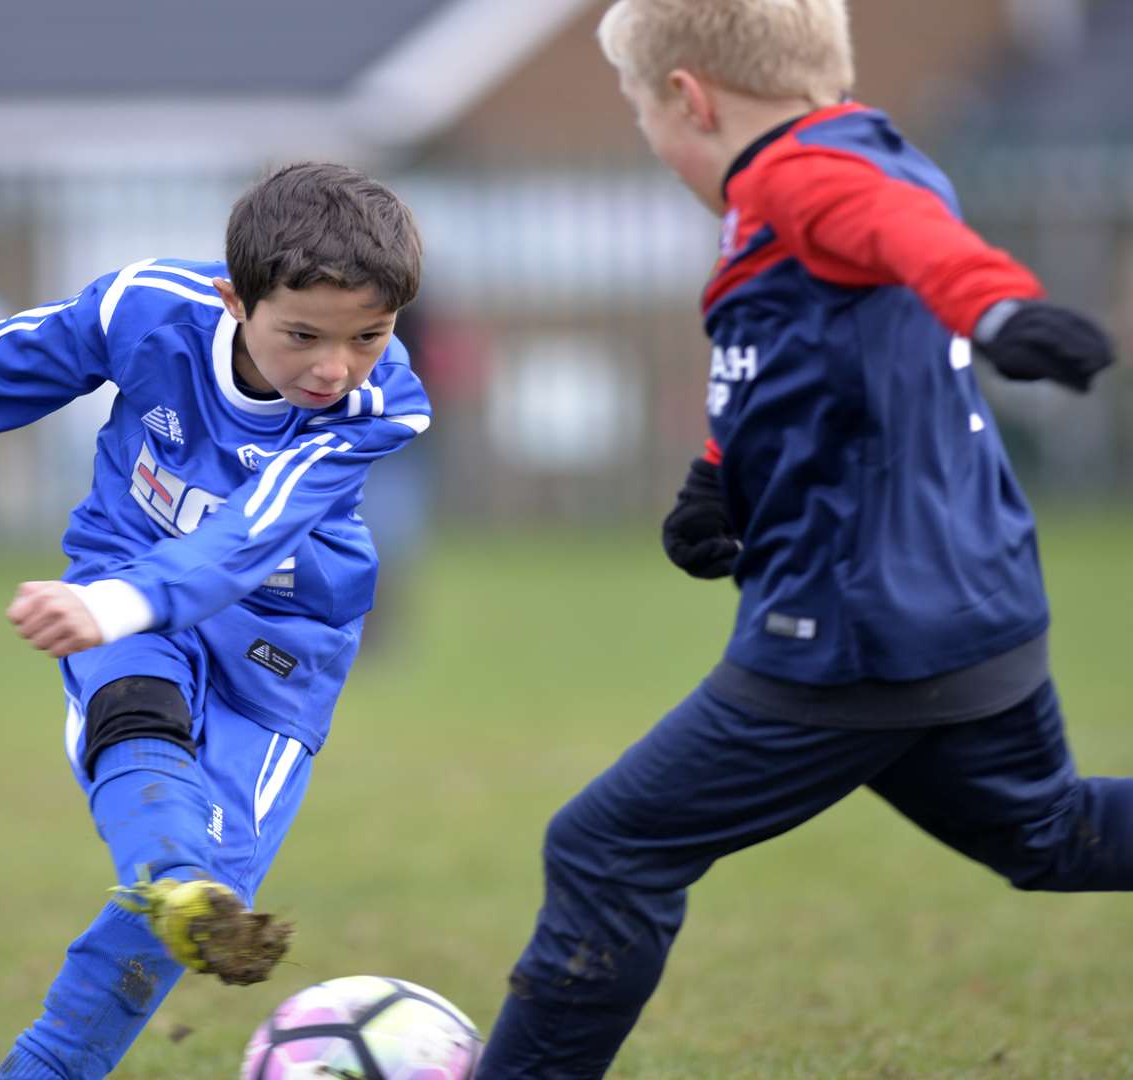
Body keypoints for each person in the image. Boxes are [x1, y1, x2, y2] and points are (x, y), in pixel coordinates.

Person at [474, 2, 1122, 1076]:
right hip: (975, 604)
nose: (648, 136)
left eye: (640, 110)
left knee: (605, 848)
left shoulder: (797, 178)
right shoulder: (856, 151)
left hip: (855, 634)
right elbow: (812, 368)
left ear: (690, 95)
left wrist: (1000, 310)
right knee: (1047, 835)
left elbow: (910, 238)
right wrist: (720, 479)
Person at [0, 162, 430, 1079]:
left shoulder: (381, 404)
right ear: (232, 300)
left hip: (278, 648)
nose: (335, 368)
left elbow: (251, 536)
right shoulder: (148, 309)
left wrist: (110, 604)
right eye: (304, 335)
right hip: (125, 582)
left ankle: (181, 888)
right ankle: (147, 916)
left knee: (219, 903)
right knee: (137, 718)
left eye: (369, 335)